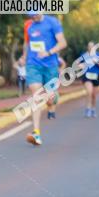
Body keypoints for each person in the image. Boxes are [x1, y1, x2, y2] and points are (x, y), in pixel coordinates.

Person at [21, 11, 67, 145]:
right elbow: (26, 43)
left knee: (50, 98)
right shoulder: (28, 25)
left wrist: (48, 52)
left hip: (50, 65)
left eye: (35, 14)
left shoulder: (53, 22)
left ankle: (53, 97)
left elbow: (63, 43)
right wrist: (24, 56)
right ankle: (36, 133)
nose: (33, 17)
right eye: (30, 15)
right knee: (37, 95)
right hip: (33, 64)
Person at [79, 41, 99, 118]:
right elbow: (79, 64)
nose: (90, 48)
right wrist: (81, 66)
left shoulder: (98, 55)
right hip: (87, 76)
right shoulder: (84, 55)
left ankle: (93, 109)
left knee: (94, 95)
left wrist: (97, 62)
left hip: (96, 76)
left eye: (92, 46)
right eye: (89, 46)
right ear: (87, 47)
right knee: (89, 92)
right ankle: (88, 109)